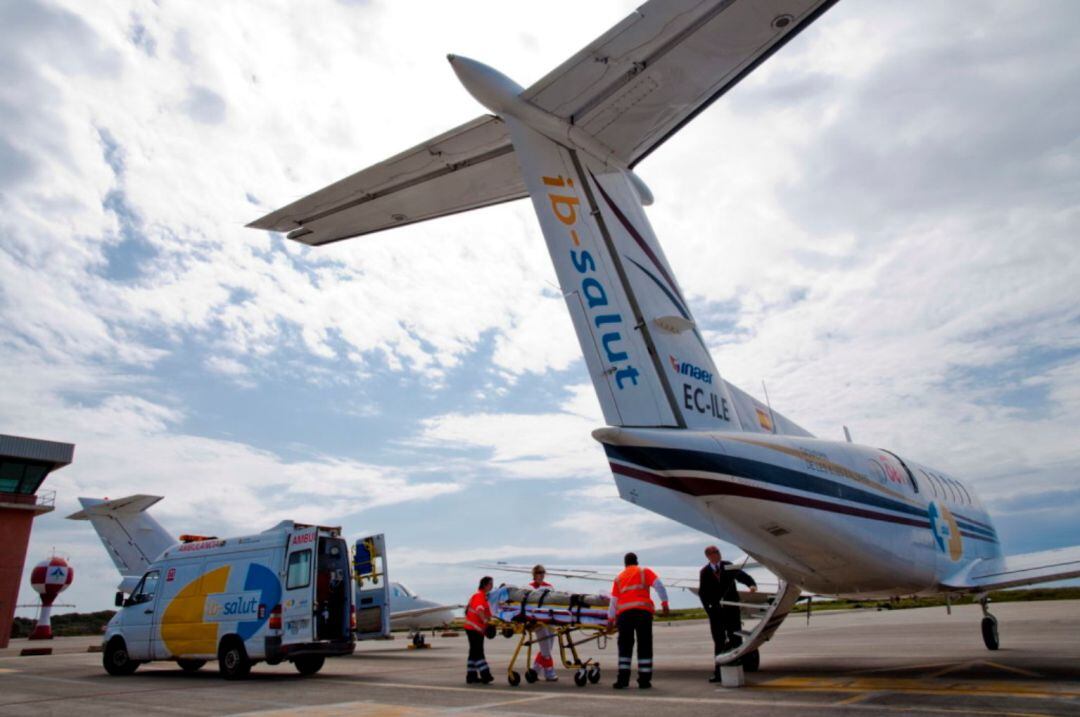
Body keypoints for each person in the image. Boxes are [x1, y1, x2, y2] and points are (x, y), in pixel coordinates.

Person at [607, 552, 668, 689]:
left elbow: (614, 601)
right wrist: (664, 604)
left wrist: (610, 619)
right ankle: (644, 680)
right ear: (637, 561)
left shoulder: (619, 577)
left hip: (624, 615)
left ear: (625, 563)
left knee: (625, 647)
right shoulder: (644, 571)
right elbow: (659, 586)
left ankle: (622, 680)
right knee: (645, 645)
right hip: (643, 613)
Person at [698, 545, 757, 682]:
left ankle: (739, 667)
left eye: (718, 552)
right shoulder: (705, 572)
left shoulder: (728, 566)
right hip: (716, 613)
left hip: (731, 610)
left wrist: (751, 584)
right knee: (719, 641)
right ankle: (718, 672)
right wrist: (710, 611)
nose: (718, 554)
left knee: (735, 638)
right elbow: (703, 593)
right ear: (708, 556)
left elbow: (742, 576)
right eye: (714, 553)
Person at [528, 564, 558, 681]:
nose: (541, 575)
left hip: (550, 620)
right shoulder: (529, 588)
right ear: (534, 575)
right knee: (545, 647)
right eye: (539, 573)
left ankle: (535, 670)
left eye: (543, 573)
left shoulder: (549, 587)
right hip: (537, 621)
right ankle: (549, 672)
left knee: (547, 647)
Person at [464, 576, 495, 684]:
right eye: (491, 584)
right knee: (478, 651)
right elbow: (480, 610)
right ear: (485, 585)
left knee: (473, 652)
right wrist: (486, 622)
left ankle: (471, 676)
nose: (492, 586)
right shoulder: (479, 596)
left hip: (475, 628)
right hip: (473, 628)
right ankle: (485, 675)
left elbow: (486, 612)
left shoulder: (482, 596)